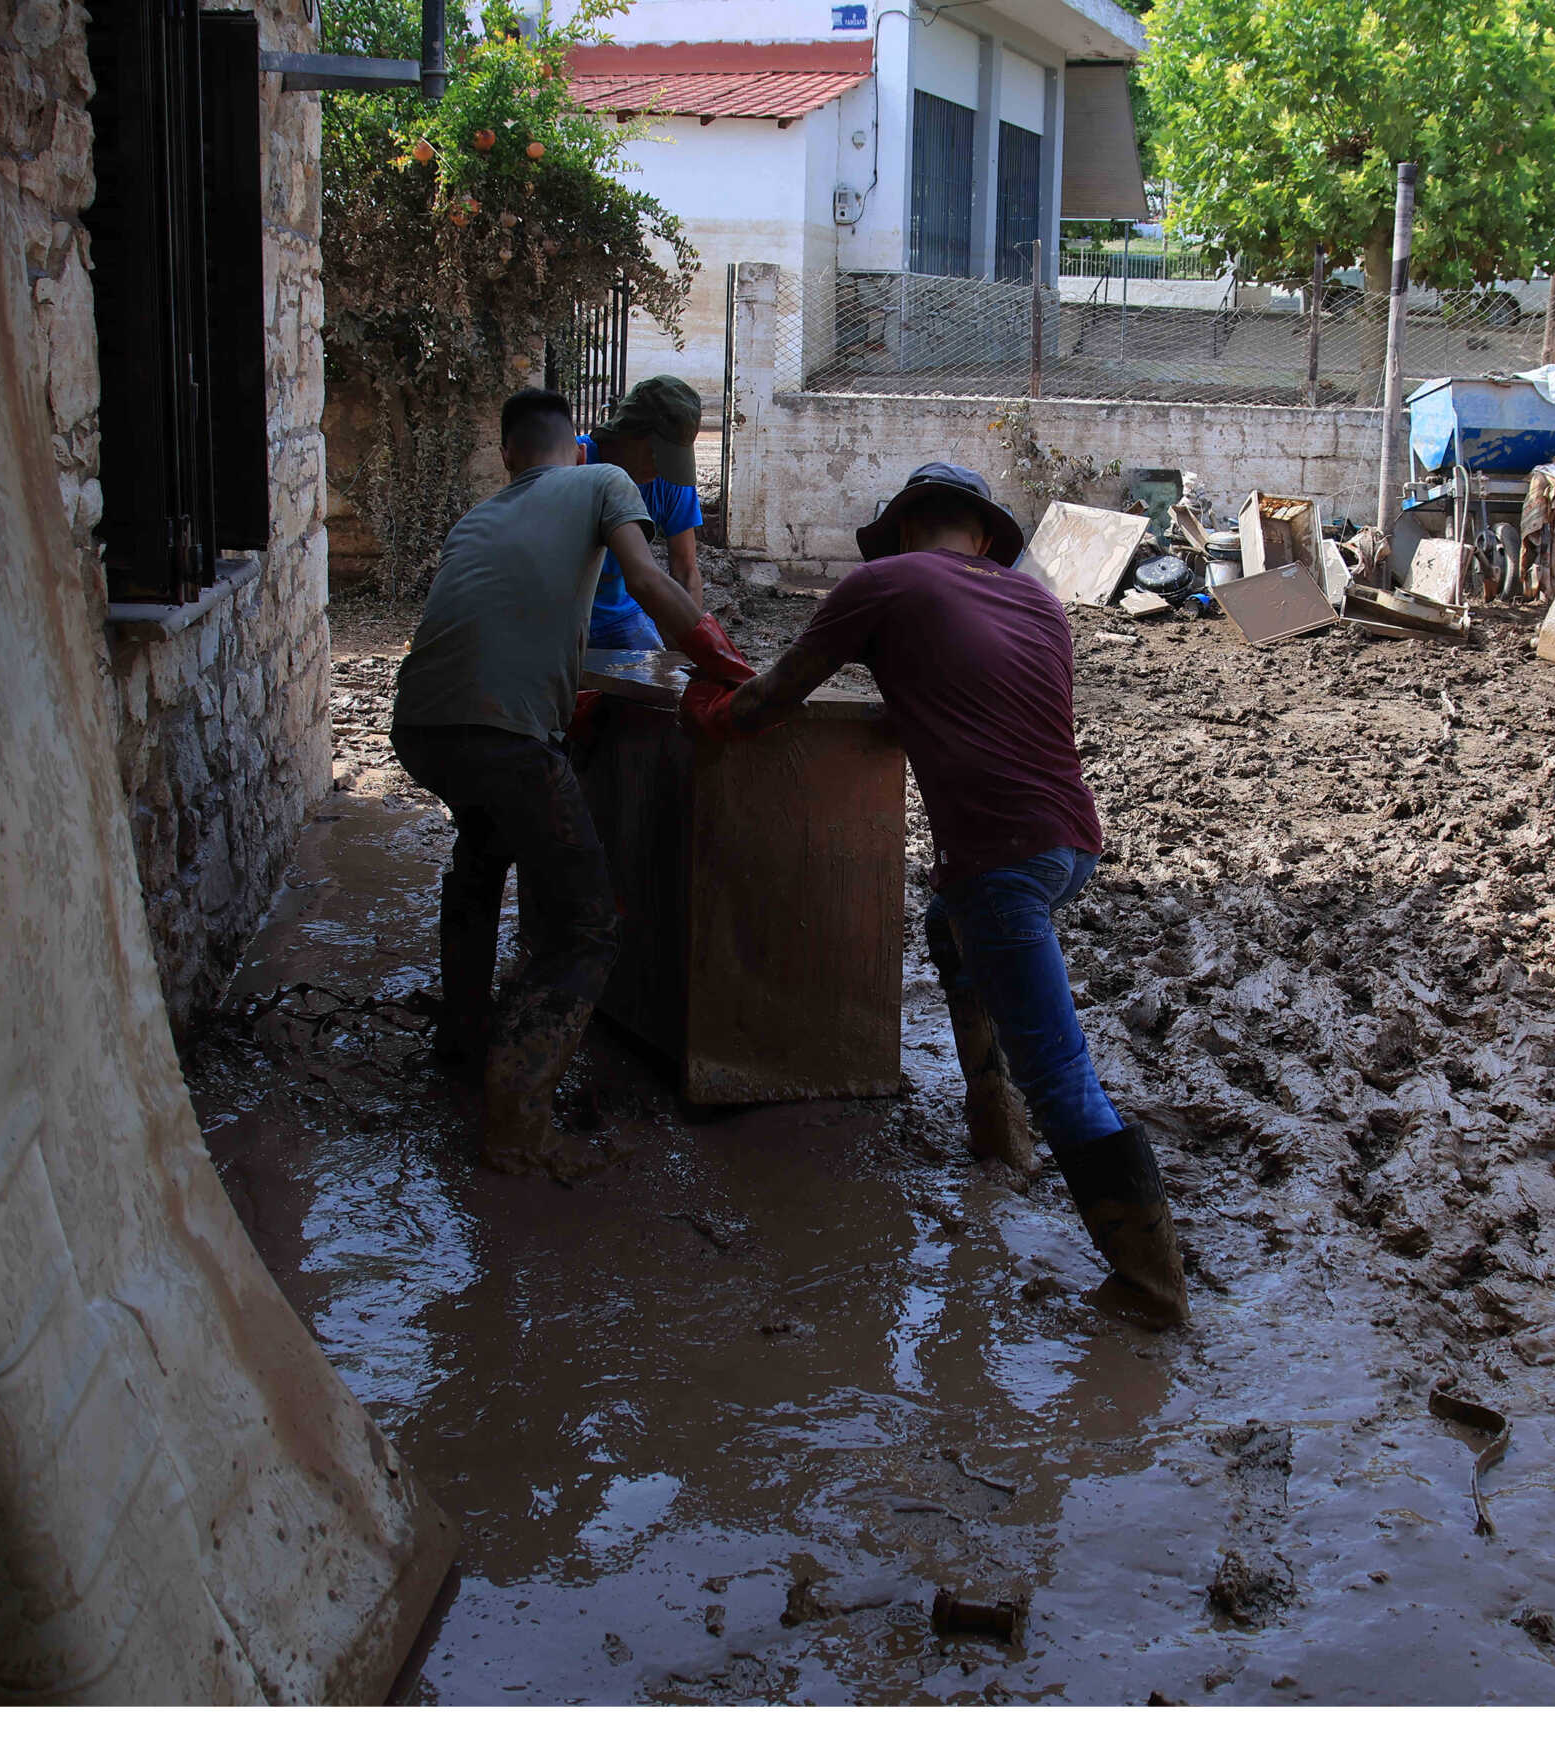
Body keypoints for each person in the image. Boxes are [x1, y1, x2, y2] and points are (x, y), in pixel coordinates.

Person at [687, 463, 1189, 1329]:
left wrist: (713, 718)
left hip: (999, 860)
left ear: (906, 528)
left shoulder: (882, 582)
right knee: (949, 926)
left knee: (1061, 1071)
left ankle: (1151, 1286)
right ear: (988, 538)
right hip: (1074, 845)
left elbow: (774, 697)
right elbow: (991, 705)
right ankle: (992, 1124)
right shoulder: (1039, 604)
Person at [391, 387, 755, 1179]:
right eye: (652, 458)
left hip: (421, 728)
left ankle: (461, 1040)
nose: (654, 472)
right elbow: (655, 585)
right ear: (605, 445)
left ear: (509, 454)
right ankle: (516, 1117)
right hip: (505, 735)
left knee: (481, 855)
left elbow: (489, 624)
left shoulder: (476, 518)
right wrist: (728, 667)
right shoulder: (604, 484)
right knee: (587, 923)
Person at [578, 376, 707, 651]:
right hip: (562, 615)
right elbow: (644, 582)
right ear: (629, 433)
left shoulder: (672, 481)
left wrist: (694, 652)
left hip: (622, 617)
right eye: (657, 456)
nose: (663, 470)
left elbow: (685, 572)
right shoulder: (573, 462)